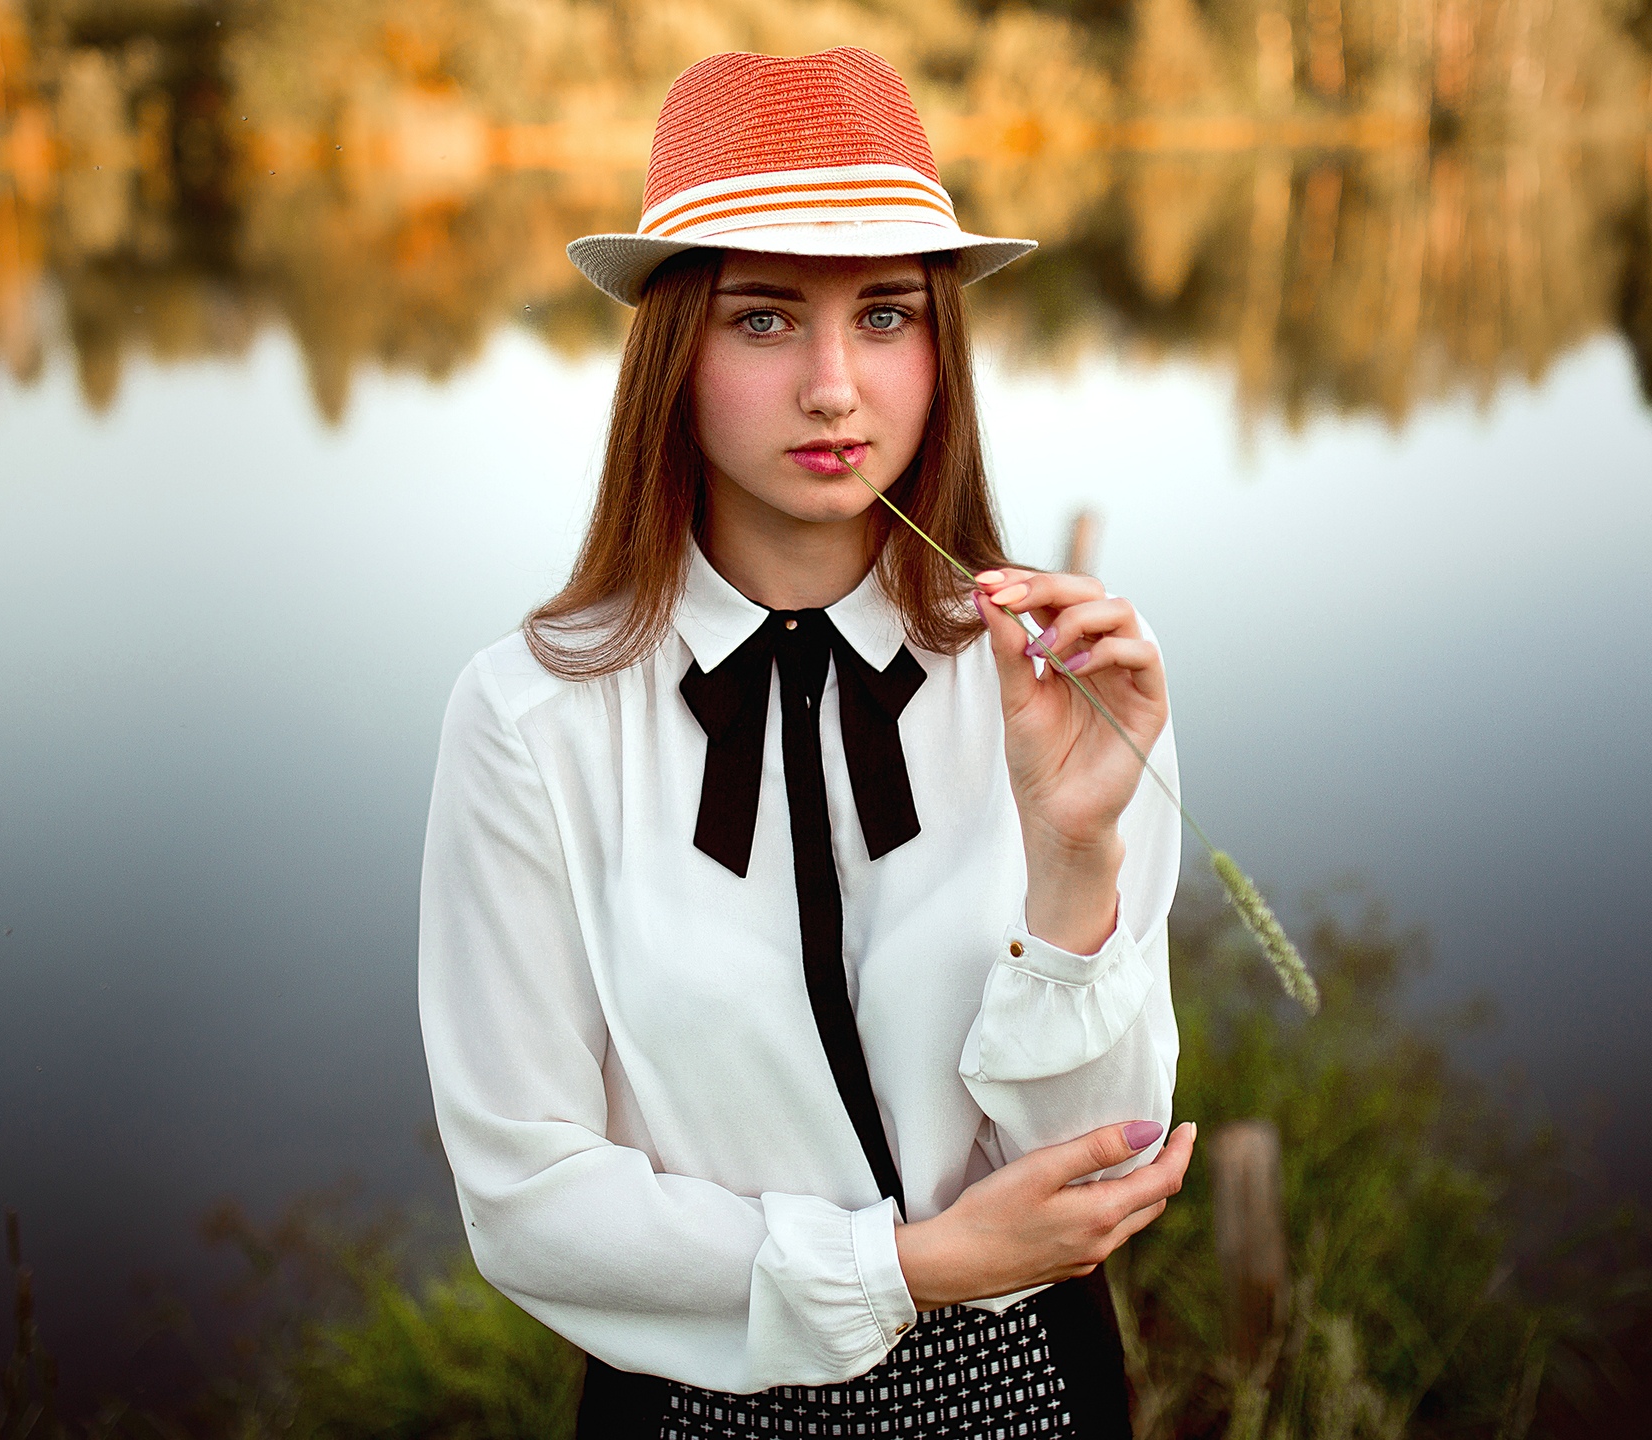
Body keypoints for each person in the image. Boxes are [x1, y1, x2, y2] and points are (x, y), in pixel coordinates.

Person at [417, 46, 1198, 1440]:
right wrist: (901, 1269)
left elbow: (1100, 1169)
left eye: (887, 317)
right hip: (706, 1407)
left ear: (940, 347)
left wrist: (1075, 860)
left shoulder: (1058, 676)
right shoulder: (531, 720)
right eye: (768, 320)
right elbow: (527, 1197)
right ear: (674, 351)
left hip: (1025, 1393)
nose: (837, 388)